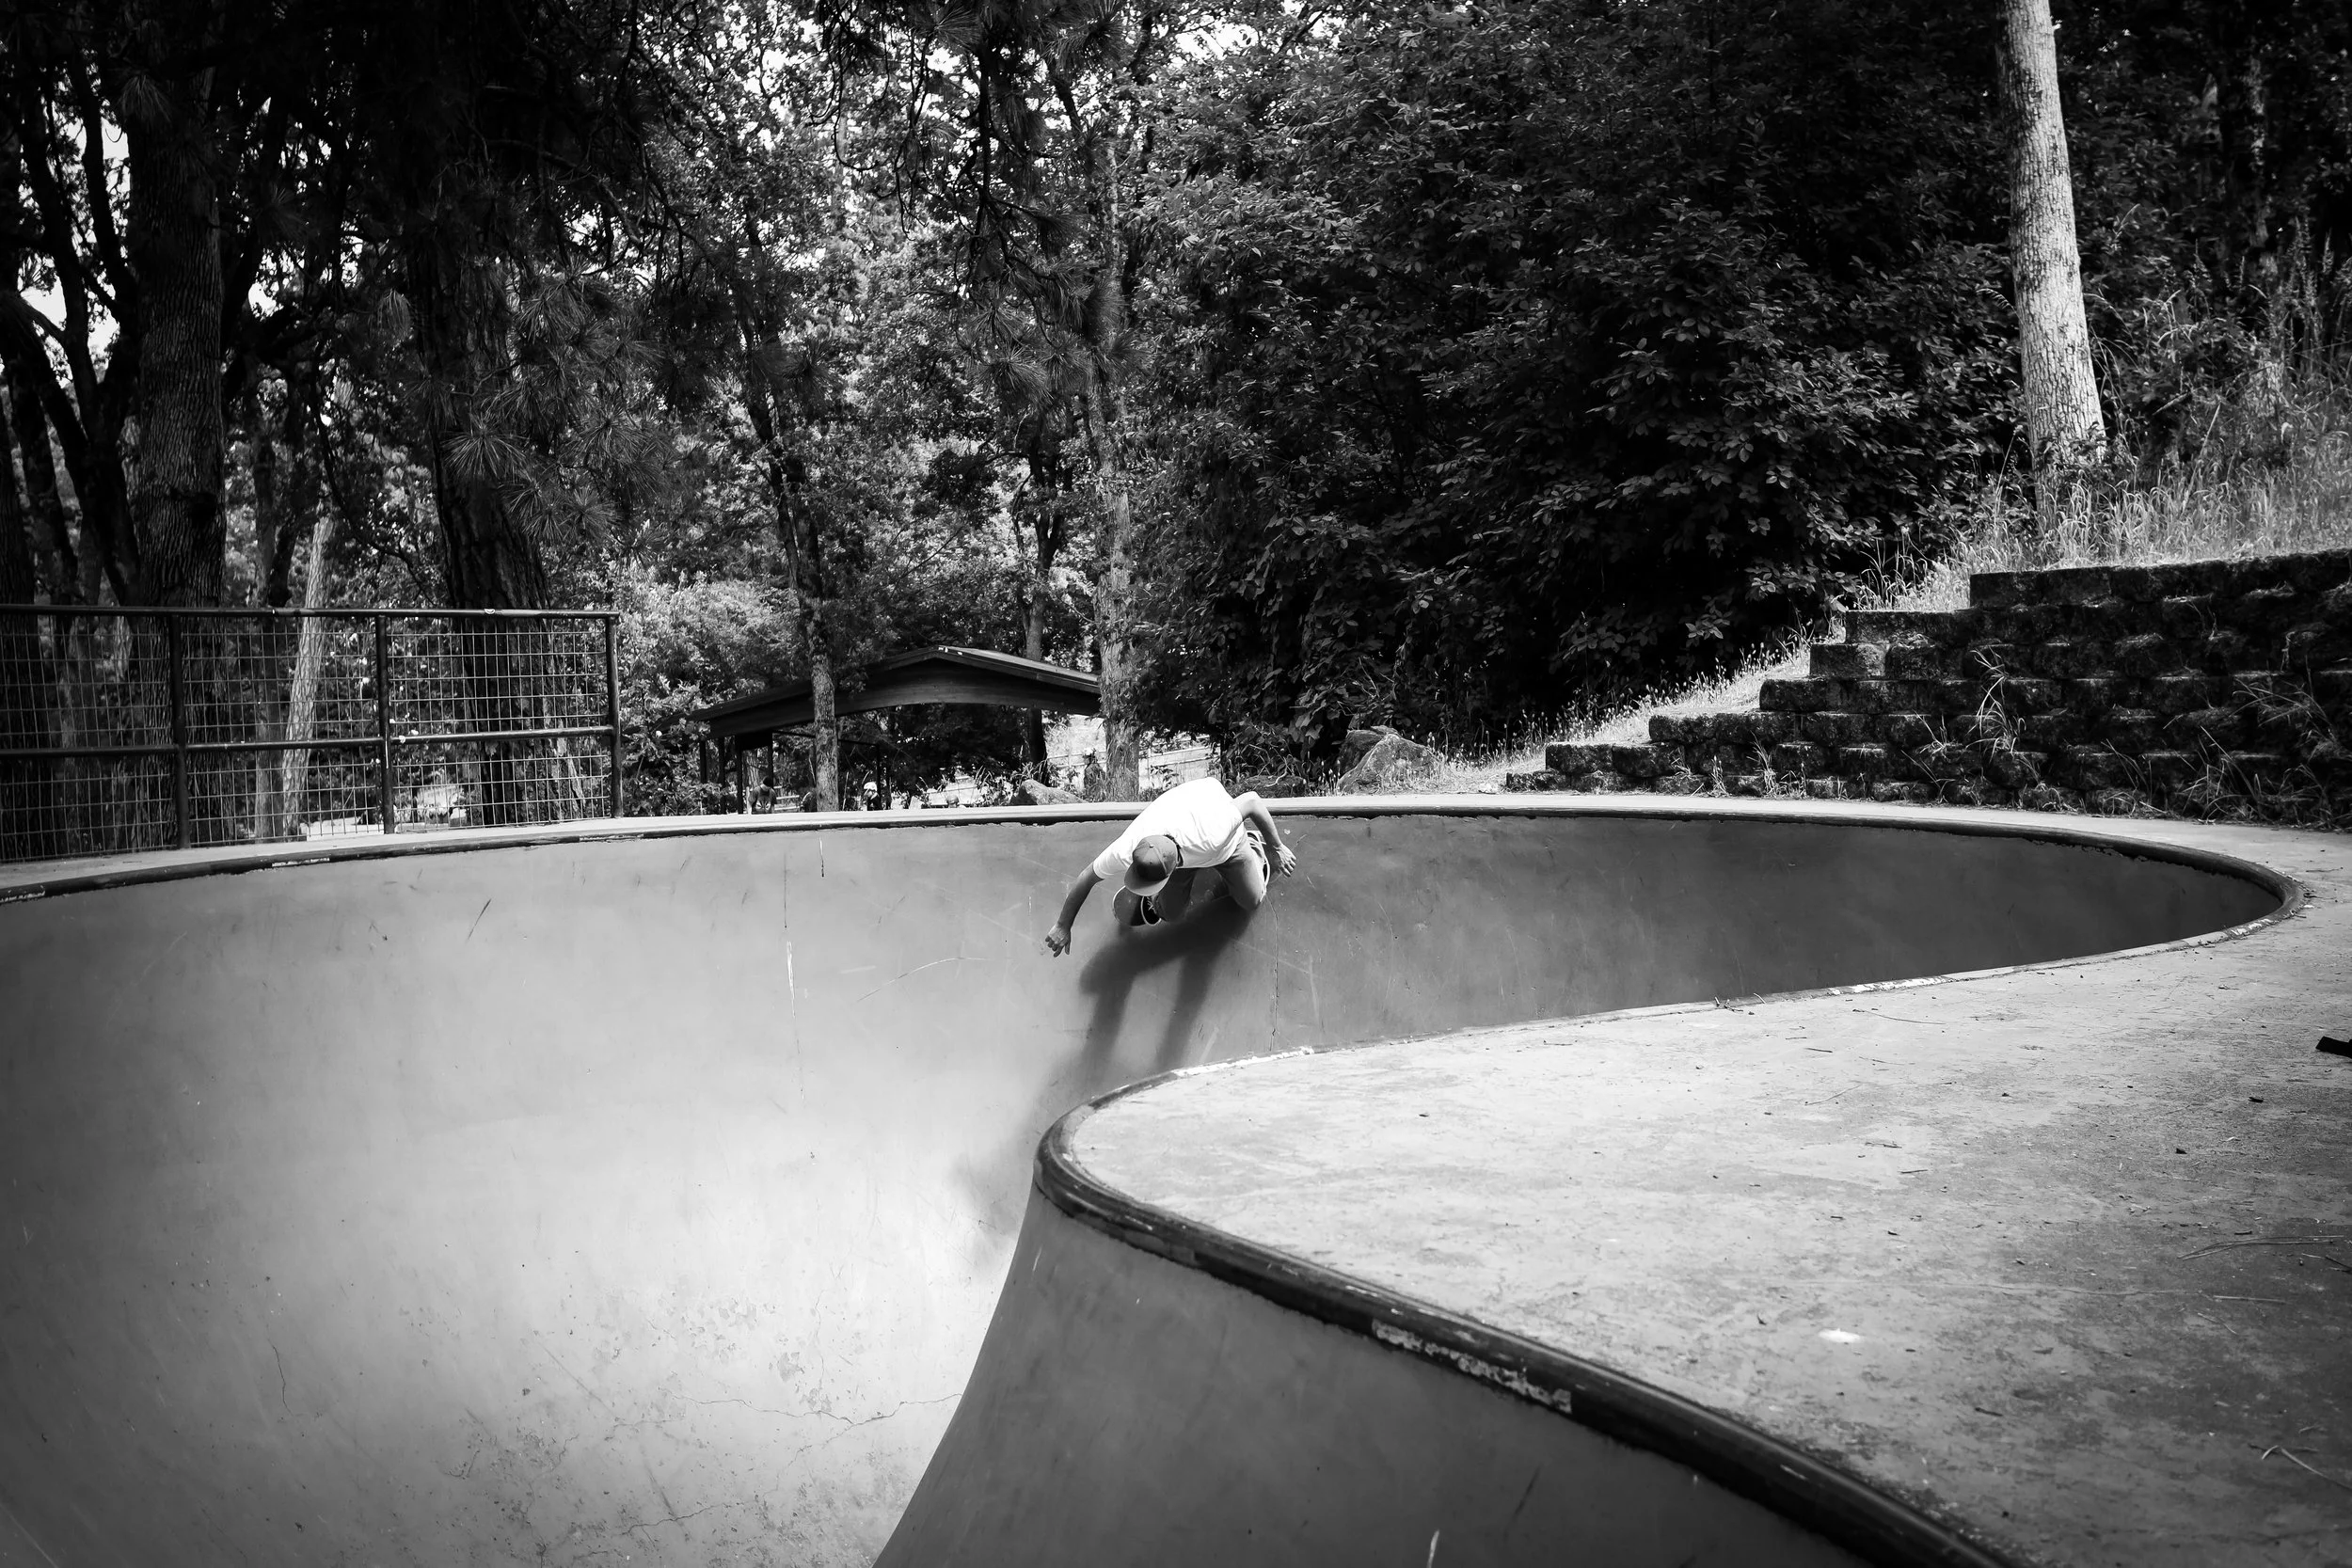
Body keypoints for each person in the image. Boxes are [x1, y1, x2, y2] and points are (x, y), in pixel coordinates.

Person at [1044, 777, 1299, 956]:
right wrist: (1063, 924)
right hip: (1183, 841)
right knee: (1171, 914)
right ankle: (1167, 895)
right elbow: (1088, 875)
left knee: (1251, 900)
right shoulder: (1127, 848)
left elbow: (1252, 801)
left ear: (1173, 866)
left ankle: (1255, 851)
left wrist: (1276, 848)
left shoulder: (1214, 831)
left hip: (1227, 845)